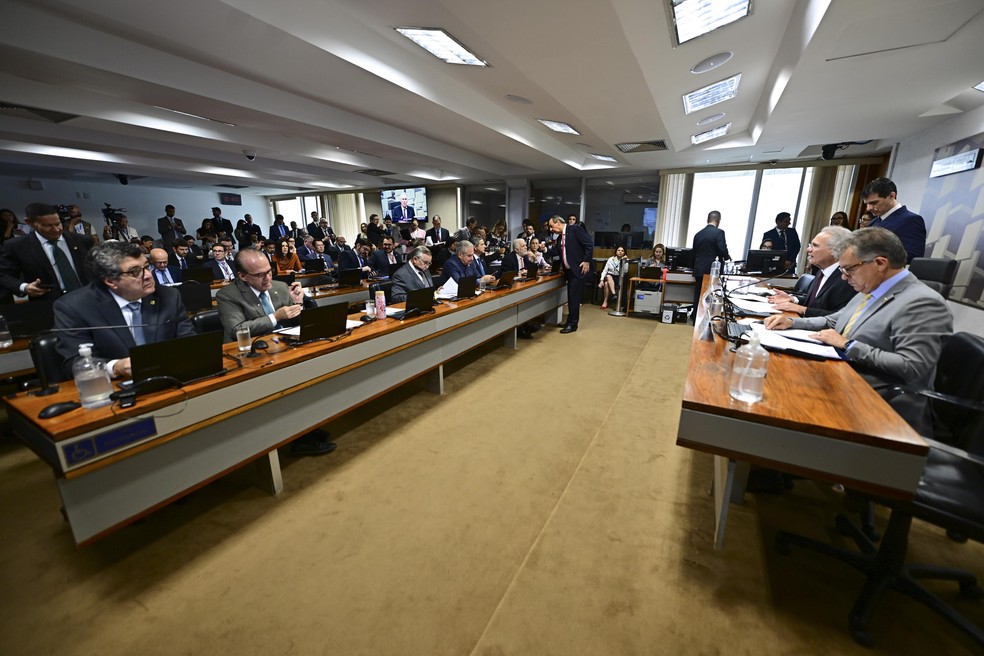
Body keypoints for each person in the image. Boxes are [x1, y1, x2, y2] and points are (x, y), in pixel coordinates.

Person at [764, 227, 951, 435]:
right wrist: (792, 322)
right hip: (846, 380)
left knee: (782, 397)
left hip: (880, 405)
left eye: (849, 269)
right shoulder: (872, 288)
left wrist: (848, 345)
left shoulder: (923, 302)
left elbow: (913, 367)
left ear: (880, 263)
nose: (844, 278)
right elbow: (835, 320)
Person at [215, 249, 334, 457]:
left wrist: (299, 302)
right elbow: (237, 331)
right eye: (260, 275)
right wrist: (274, 317)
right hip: (251, 357)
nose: (268, 278)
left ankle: (309, 426)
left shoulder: (278, 287)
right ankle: (299, 437)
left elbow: (299, 321)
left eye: (269, 271)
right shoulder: (227, 295)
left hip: (285, 348)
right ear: (242, 276)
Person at [52, 240, 196, 379]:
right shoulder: (75, 307)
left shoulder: (168, 296)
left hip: (170, 377)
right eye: (135, 272)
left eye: (146, 267)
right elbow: (74, 361)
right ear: (110, 281)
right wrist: (115, 367)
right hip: (113, 388)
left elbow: (190, 342)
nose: (148, 275)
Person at [0, 202, 91, 300]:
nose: (56, 229)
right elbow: (3, 274)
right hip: (48, 302)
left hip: (87, 297)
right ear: (29, 222)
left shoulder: (81, 240)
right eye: (47, 225)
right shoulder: (16, 246)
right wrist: (24, 287)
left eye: (58, 224)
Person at [767, 226, 855, 317]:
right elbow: (816, 302)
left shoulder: (847, 278)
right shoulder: (822, 271)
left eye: (815, 246)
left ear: (835, 250)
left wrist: (802, 309)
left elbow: (839, 317)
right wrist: (792, 299)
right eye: (810, 245)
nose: (808, 250)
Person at [861, 177, 926, 263]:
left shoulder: (911, 220)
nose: (868, 208)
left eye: (874, 203)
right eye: (867, 204)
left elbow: (913, 255)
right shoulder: (874, 222)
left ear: (891, 196)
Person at [547, 214, 593, 334]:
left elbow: (589, 244)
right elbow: (557, 251)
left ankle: (573, 325)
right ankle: (570, 321)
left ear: (558, 223)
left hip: (578, 270)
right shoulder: (559, 238)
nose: (551, 229)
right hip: (568, 271)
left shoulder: (575, 230)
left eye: (552, 226)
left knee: (574, 298)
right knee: (571, 297)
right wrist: (545, 250)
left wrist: (586, 260)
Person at [690, 210, 730, 321]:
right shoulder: (719, 233)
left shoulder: (698, 234)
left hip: (698, 269)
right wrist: (727, 257)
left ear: (707, 220)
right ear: (718, 221)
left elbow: (694, 252)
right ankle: (705, 318)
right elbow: (722, 250)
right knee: (710, 295)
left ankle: (695, 317)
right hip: (711, 270)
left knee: (698, 294)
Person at [598, 245, 627, 310]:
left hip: (619, 277)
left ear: (624, 253)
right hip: (610, 276)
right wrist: (601, 280)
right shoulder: (611, 259)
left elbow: (625, 271)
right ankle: (613, 295)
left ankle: (607, 301)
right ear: (616, 251)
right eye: (618, 250)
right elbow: (605, 270)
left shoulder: (625, 260)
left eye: (622, 251)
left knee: (606, 284)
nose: (620, 252)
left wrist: (624, 262)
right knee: (607, 277)